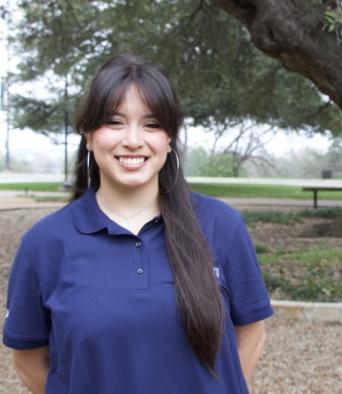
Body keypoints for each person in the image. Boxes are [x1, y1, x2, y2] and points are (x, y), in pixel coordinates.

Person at [3, 54, 273, 394]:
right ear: (88, 135)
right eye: (114, 122)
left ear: (169, 137)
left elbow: (251, 334)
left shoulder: (221, 225)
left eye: (151, 124)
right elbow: (28, 360)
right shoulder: (44, 244)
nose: (133, 140)